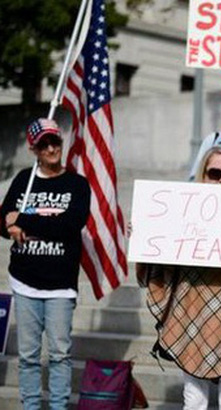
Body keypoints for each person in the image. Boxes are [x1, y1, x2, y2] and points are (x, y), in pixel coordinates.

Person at [138, 147, 221, 410]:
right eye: (215, 173)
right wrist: (145, 232)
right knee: (194, 401)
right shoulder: (181, 211)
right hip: (190, 312)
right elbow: (159, 255)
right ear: (203, 174)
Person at [0, 118, 91, 410]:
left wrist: (22, 220)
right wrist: (9, 226)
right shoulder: (23, 180)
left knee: (59, 354)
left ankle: (59, 407)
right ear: (33, 149)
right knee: (28, 356)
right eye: (44, 145)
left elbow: (69, 225)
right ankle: (30, 406)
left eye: (55, 142)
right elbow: (3, 220)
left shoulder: (77, 184)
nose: (51, 149)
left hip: (60, 285)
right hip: (25, 281)